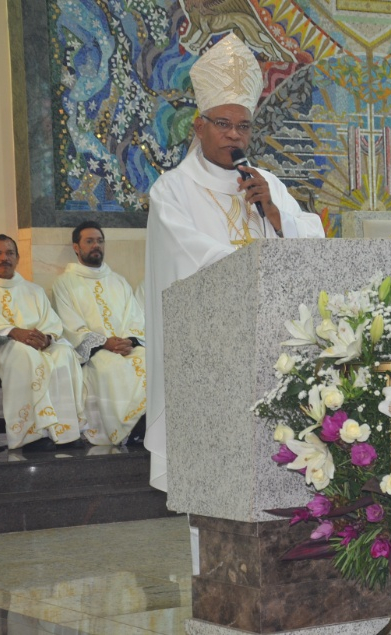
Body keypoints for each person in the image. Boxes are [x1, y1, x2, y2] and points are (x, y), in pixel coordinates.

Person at [145, 34, 325, 490]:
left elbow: (311, 239)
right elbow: (189, 256)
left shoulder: (265, 182)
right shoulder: (172, 191)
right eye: (223, 123)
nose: (234, 134)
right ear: (198, 127)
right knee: (215, 479)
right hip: (211, 349)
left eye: (243, 127)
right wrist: (256, 264)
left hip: (272, 345)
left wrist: (277, 215)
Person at [0, 235, 85, 452]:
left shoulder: (32, 290)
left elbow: (51, 322)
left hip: (38, 344)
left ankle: (65, 432)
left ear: (17, 258)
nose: (4, 258)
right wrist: (15, 332)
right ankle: (31, 434)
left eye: (9, 253)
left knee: (64, 353)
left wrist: (46, 338)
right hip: (1, 345)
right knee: (25, 355)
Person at [52, 221, 147, 447]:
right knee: (109, 368)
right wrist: (105, 344)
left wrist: (129, 341)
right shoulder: (64, 283)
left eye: (100, 241)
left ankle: (146, 423)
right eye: (90, 241)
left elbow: (134, 316)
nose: (97, 245)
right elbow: (69, 324)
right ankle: (128, 429)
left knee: (149, 362)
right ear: (76, 247)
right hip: (96, 351)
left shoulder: (118, 281)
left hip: (125, 347)